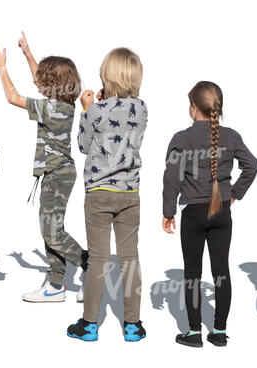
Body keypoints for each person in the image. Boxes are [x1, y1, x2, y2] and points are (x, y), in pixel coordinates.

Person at [0, 32, 88, 303]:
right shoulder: (62, 104)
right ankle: (55, 284)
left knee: (51, 231)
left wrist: (2, 68)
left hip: (57, 175)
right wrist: (28, 54)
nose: (38, 82)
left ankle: (91, 266)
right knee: (51, 228)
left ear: (51, 85)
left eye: (43, 80)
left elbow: (12, 97)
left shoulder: (51, 108)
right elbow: (39, 81)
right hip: (55, 174)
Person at [162, 81, 257, 347]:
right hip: (222, 213)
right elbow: (252, 166)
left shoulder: (181, 138)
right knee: (221, 271)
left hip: (193, 212)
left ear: (193, 107)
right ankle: (219, 331)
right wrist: (234, 194)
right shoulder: (231, 136)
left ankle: (194, 334)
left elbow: (171, 178)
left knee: (192, 271)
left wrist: (168, 211)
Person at [67, 47, 147, 342]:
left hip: (99, 192)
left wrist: (86, 109)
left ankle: (89, 325)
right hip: (130, 191)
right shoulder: (142, 108)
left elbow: (84, 145)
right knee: (130, 259)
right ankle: (133, 325)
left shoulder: (96, 111)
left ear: (106, 75)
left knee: (98, 259)